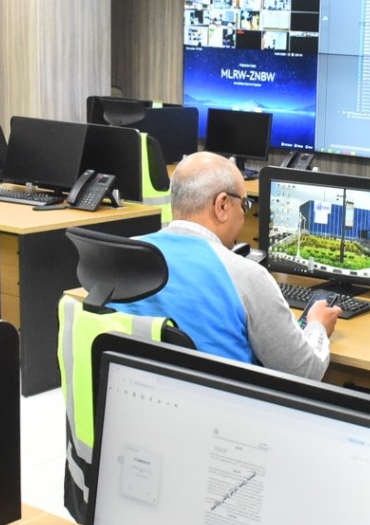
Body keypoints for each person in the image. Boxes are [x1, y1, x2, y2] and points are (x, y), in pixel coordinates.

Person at [113, 151, 339, 380]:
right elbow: (305, 372)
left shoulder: (122, 255)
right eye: (244, 205)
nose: (244, 215)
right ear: (222, 205)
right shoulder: (247, 276)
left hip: (137, 393)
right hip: (222, 401)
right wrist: (317, 326)